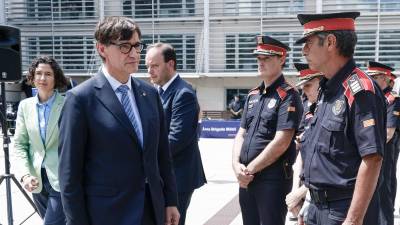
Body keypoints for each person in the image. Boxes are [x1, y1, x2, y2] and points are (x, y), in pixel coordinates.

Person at [58, 17, 180, 225]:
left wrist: (170, 200)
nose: (133, 54)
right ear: (102, 49)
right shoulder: (80, 99)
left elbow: (162, 156)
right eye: (124, 46)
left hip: (151, 210)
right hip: (107, 215)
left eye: (136, 46)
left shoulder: (150, 94)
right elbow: (69, 175)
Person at [296, 12, 386, 225]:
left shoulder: (359, 90)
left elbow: (372, 158)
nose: (304, 50)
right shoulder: (327, 89)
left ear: (330, 42)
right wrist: (309, 202)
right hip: (318, 207)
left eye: (308, 42)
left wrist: (353, 220)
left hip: (342, 211)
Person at [231, 35, 303, 225]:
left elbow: (282, 141)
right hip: (247, 178)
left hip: (272, 179)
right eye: (259, 58)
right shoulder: (253, 95)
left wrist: (250, 170)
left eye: (267, 58)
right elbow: (241, 133)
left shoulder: (288, 95)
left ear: (281, 59)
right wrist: (236, 165)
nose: (260, 63)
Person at [145, 42, 206, 225]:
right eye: (147, 65)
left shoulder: (183, 93)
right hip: (162, 174)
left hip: (178, 176)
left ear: (170, 64)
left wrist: (144, 158)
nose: (149, 71)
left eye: (154, 65)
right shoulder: (157, 91)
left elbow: (176, 139)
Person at [14, 56, 67, 225]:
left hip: (61, 178)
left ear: (56, 77)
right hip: (35, 180)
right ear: (32, 76)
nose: (42, 78)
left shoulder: (68, 104)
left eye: (48, 74)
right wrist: (25, 175)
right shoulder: (25, 106)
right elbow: (20, 144)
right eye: (38, 73)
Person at [286, 63, 322, 221]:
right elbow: (301, 150)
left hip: (323, 191)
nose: (304, 90)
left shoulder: (330, 110)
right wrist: (295, 192)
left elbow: (330, 162)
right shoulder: (309, 109)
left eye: (308, 85)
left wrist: (301, 193)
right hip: (306, 185)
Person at [367, 61, 400, 225]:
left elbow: (388, 132)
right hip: (373, 150)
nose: (371, 80)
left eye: (374, 77)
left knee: (384, 188)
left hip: (385, 150)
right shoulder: (375, 97)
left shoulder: (392, 99)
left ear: (385, 78)